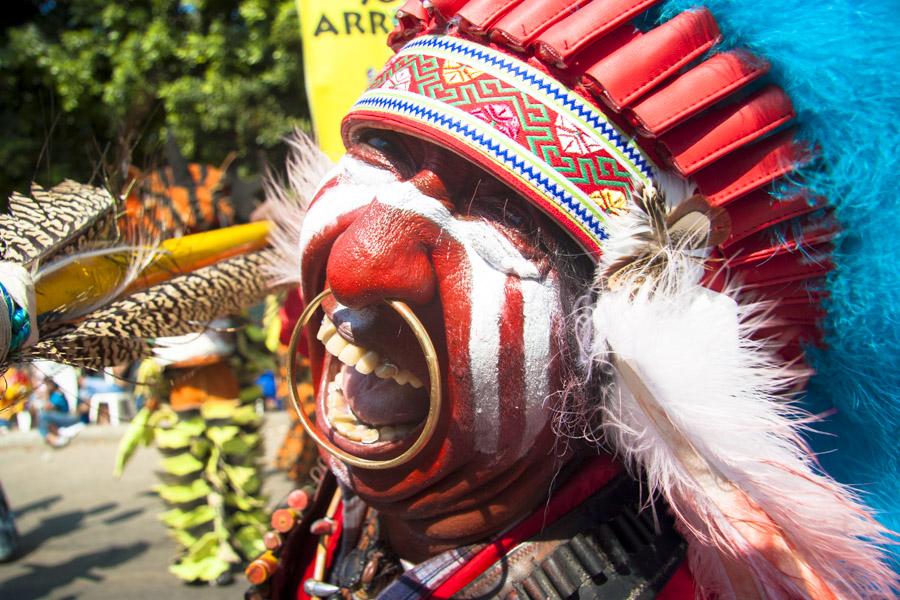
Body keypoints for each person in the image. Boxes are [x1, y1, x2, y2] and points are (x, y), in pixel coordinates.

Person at [245, 0, 900, 598]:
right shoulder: (341, 512)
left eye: (512, 218)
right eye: (383, 149)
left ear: (624, 351)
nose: (360, 265)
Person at [36, 380, 84, 448]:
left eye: (48, 384)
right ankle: (55, 436)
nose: (47, 386)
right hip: (67, 417)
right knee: (44, 419)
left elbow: (47, 407)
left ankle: (52, 439)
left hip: (70, 417)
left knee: (43, 416)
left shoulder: (58, 394)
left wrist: (46, 394)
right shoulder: (56, 393)